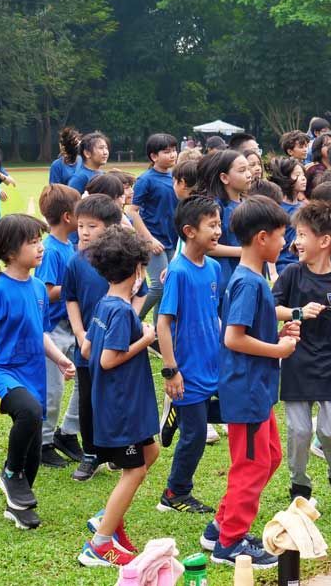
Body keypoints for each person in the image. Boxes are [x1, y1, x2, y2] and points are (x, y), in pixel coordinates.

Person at [201, 196, 297, 569]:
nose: (285, 244)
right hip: (246, 390)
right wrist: (279, 350)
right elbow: (233, 338)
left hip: (256, 389)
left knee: (268, 456)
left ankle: (221, 525)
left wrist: (279, 333)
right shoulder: (247, 283)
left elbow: (251, 326)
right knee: (252, 464)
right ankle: (230, 542)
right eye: (281, 236)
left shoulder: (252, 280)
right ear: (261, 238)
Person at [0, 214, 76, 530]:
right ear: (11, 253)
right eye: (32, 242)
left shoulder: (39, 288)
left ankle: (18, 506)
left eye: (40, 240)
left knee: (33, 451)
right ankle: (9, 474)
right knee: (27, 412)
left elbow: (39, 333)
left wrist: (59, 359)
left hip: (32, 373)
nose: (40, 248)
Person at [273, 200, 331, 513]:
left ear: (324, 241)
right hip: (297, 362)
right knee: (299, 432)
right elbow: (272, 308)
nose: (294, 242)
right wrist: (297, 312)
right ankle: (299, 486)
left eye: (301, 235)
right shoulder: (290, 275)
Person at [77, 226, 158, 567]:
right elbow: (108, 359)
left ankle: (107, 516)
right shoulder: (124, 312)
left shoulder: (104, 303)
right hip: (120, 406)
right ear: (138, 270)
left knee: (150, 451)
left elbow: (85, 349)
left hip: (120, 403)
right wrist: (146, 338)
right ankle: (99, 544)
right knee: (135, 471)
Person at [63, 196, 148, 481]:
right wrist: (78, 332)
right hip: (91, 345)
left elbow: (141, 293)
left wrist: (132, 319)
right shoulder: (76, 262)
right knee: (87, 401)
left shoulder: (123, 263)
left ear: (111, 229)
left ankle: (115, 451)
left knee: (110, 401)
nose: (84, 232)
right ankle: (91, 454)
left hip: (113, 341)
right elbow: (70, 298)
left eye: (92, 226)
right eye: (81, 225)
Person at [156, 196, 223, 514]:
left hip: (212, 363)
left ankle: (176, 417)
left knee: (231, 412)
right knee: (195, 436)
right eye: (211, 225)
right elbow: (163, 323)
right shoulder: (178, 272)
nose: (219, 231)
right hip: (187, 368)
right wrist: (171, 370)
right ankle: (175, 493)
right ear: (189, 231)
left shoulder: (214, 267)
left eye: (219, 223)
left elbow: (213, 316)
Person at [34, 184, 83, 468]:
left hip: (70, 324)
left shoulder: (70, 246)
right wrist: (75, 288)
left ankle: (67, 433)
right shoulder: (52, 249)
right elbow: (46, 290)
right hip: (53, 328)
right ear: (67, 216)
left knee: (81, 381)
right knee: (52, 390)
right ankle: (43, 442)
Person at [130, 134, 180, 321]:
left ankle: (160, 329)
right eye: (166, 152)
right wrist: (149, 239)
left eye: (174, 150)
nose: (172, 154)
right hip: (153, 240)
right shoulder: (146, 180)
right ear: (153, 156)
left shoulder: (176, 177)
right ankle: (132, 320)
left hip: (171, 240)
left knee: (167, 287)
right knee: (159, 286)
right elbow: (133, 212)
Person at [198, 150, 252, 301]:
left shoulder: (247, 204)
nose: (249, 174)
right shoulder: (215, 207)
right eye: (242, 170)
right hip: (223, 279)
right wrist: (244, 252)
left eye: (249, 169)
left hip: (246, 275)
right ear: (224, 177)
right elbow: (207, 246)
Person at [268, 157, 307, 273]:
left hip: (303, 265)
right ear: (285, 179)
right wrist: (273, 273)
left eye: (303, 174)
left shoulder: (304, 206)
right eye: (297, 175)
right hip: (283, 266)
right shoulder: (276, 208)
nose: (303, 178)